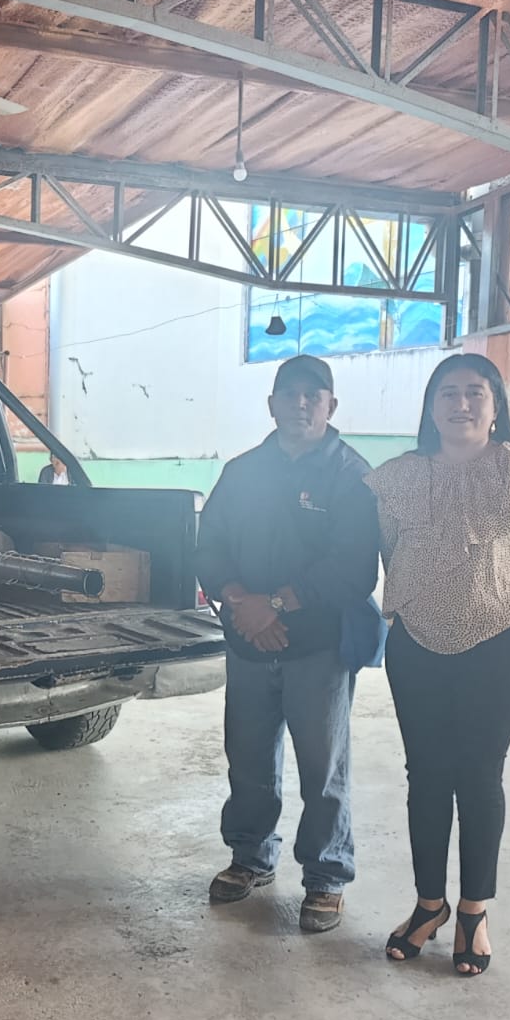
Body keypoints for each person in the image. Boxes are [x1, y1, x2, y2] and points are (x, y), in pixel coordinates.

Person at [365, 353, 510, 976]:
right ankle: (429, 905)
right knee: (426, 776)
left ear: (495, 405)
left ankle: (474, 911)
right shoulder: (395, 479)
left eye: (475, 392)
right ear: (431, 408)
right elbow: (389, 553)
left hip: (500, 650)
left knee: (480, 777)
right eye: (447, 393)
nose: (461, 404)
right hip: (416, 649)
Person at [195, 354, 381, 933]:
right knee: (248, 756)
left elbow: (354, 569)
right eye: (289, 393)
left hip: (317, 649)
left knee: (322, 767)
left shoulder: (351, 476)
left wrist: (273, 605)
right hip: (249, 643)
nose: (301, 403)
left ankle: (326, 875)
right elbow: (209, 547)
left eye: (313, 394)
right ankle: (250, 855)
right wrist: (241, 602)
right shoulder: (242, 472)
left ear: (331, 405)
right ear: (271, 403)